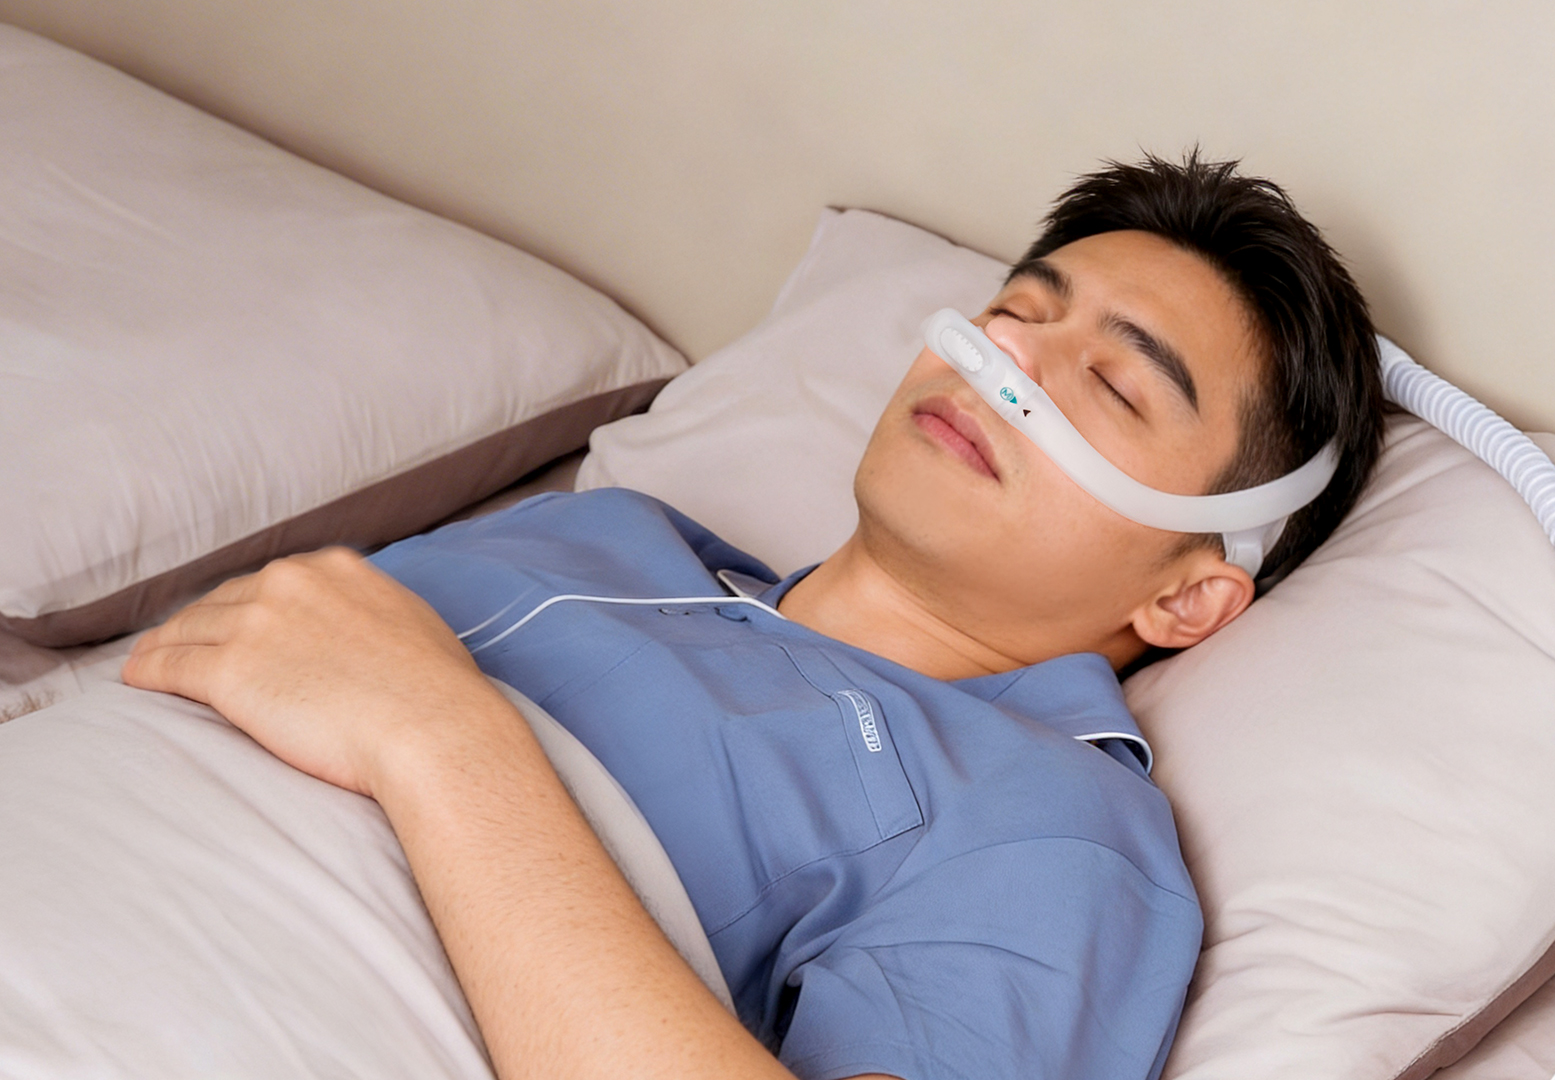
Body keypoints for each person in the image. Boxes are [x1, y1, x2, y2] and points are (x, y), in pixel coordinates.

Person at [121, 152, 1385, 1080]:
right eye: (1015, 312)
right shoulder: (598, 536)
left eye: (1112, 383)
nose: (1011, 366)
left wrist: (439, 736)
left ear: (1186, 596)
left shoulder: (1052, 832)